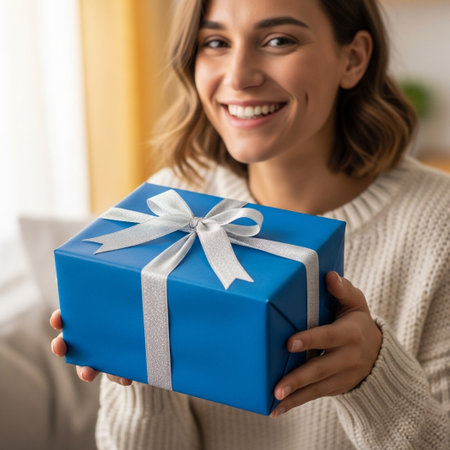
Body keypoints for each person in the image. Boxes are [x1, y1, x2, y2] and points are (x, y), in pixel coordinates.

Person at [51, 0, 450, 448]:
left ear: (353, 59)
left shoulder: (440, 227)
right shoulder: (168, 203)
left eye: (279, 40)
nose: (239, 77)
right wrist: (143, 367)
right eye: (216, 42)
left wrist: (373, 379)